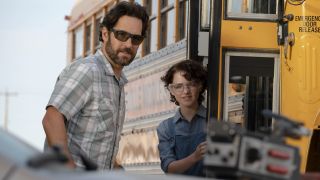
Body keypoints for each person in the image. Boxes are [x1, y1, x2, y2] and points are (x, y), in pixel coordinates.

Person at [42, 2, 149, 170]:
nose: (128, 44)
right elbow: (52, 117)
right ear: (105, 34)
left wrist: (115, 169)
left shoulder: (117, 82)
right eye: (121, 35)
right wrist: (66, 167)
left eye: (136, 39)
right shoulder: (87, 70)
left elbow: (96, 141)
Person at [157, 60, 208, 176]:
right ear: (172, 90)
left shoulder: (215, 121)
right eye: (178, 86)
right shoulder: (165, 128)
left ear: (200, 86)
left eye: (191, 84)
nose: (186, 91)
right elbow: (169, 168)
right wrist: (195, 157)